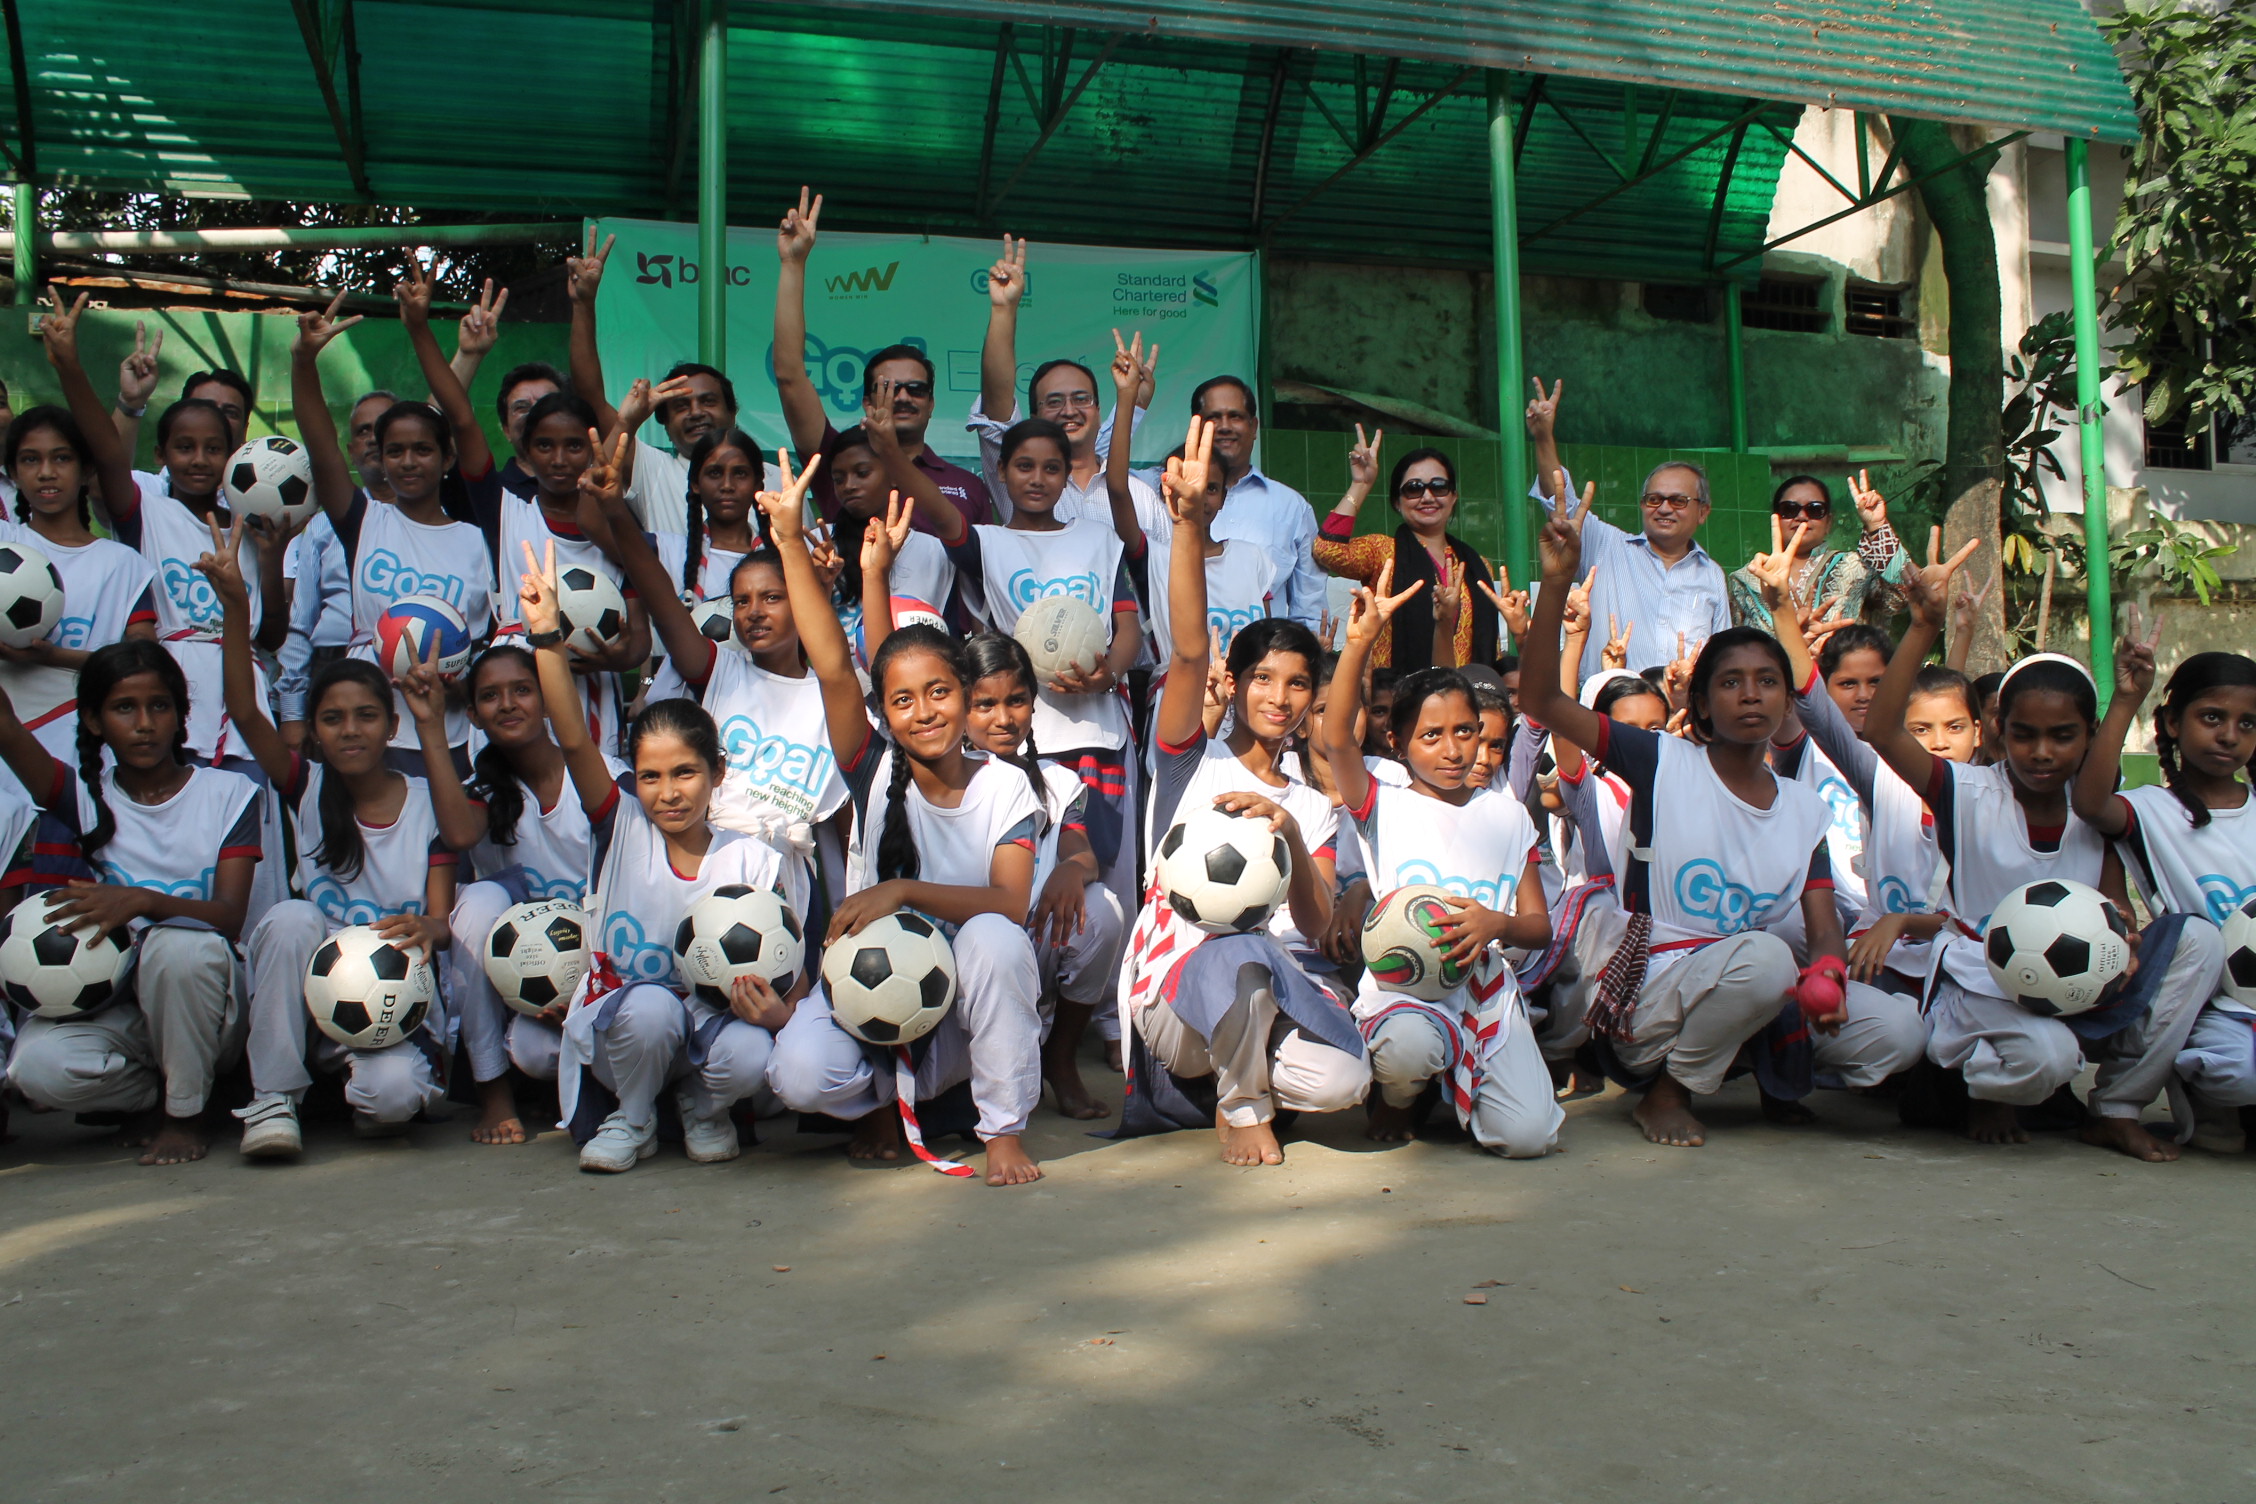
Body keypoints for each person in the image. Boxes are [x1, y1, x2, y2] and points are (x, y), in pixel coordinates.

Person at [1518, 482, 1922, 1148]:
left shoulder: (1802, 808)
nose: (1751, 695)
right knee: (1765, 960)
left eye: (1767, 680)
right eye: (1729, 682)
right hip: (1655, 996)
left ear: (1788, 699)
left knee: (1898, 1033)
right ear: (1702, 706)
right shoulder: (1658, 762)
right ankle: (1668, 1091)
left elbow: (1823, 926)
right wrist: (1556, 587)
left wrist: (1824, 974)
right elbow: (1540, 697)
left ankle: (1753, 1055)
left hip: (1755, 988)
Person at [1863, 540, 2217, 1160]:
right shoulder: (1964, 790)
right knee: (2049, 1059)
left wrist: (2126, 939)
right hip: (1980, 981)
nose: (2042, 752)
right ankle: (1978, 1085)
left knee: (2197, 942)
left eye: (2063, 736)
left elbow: (2115, 902)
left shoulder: (2098, 808)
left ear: (2089, 736)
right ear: (1998, 729)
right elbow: (1882, 729)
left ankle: (2116, 1105)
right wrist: (1924, 624)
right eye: (2024, 734)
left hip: (2082, 982)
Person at [760, 455, 1047, 1186]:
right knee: (797, 1076)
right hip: (874, 1000)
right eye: (903, 701)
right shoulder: (874, 766)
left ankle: (1002, 1126)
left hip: (960, 1012)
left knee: (995, 938)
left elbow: (1011, 903)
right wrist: (791, 540)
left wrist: (902, 892)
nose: (925, 712)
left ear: (965, 691)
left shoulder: (1007, 787)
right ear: (884, 713)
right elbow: (832, 665)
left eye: (941, 691)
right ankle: (886, 1107)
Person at [1117, 413, 1368, 1166]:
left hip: (1280, 986)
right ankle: (1242, 1104)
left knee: (1341, 1081)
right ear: (1239, 681)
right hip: (1177, 998)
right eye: (1264, 678)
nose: (1281, 698)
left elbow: (1321, 928)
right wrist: (1190, 525)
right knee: (1236, 952)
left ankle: (1246, 1073)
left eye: (1298, 684)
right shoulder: (1188, 760)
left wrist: (1288, 832)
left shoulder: (1316, 803)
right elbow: (1188, 647)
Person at [518, 536, 791, 1173]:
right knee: (651, 1005)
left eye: (685, 774)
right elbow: (571, 737)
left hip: (708, 1039)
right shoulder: (623, 827)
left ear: (718, 774)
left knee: (751, 1052)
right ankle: (633, 1116)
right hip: (628, 1037)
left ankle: (704, 1105)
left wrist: (778, 1011)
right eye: (650, 776)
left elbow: (785, 970)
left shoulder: (753, 860)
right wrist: (546, 639)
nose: (667, 793)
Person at [196, 520, 453, 1158]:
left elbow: (446, 908)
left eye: (366, 716)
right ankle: (276, 1097)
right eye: (332, 719)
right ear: (311, 731)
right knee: (288, 917)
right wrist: (235, 607)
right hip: (314, 1004)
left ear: (391, 723)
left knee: (389, 1102)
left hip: (391, 1004)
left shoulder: (425, 803)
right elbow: (243, 706)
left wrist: (430, 929)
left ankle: (364, 1089)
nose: (350, 731)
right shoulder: (305, 785)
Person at [1321, 562, 1558, 1156]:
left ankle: (1450, 1084)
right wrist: (1358, 644)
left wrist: (1494, 924)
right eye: (1432, 736)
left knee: (1528, 1138)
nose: (1453, 749)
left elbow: (1538, 927)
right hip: (1405, 991)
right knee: (1406, 1049)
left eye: (1466, 731)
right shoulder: (1382, 803)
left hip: (1483, 990)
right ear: (1397, 743)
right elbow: (1336, 740)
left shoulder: (1507, 815)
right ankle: (1401, 1094)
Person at [0, 640, 261, 1165]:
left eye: (159, 706)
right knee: (36, 1067)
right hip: (124, 1010)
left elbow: (229, 917)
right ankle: (177, 1095)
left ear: (181, 717)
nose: (144, 723)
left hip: (212, 1004)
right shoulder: (88, 801)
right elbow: (7, 730)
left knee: (175, 948)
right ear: (94, 722)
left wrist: (141, 900)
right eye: (124, 708)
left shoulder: (226, 793)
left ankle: (183, 1117)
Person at [884, 398, 1143, 924]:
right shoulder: (986, 542)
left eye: (1052, 468)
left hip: (1099, 735)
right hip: (1023, 741)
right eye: (1023, 465)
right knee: (1022, 880)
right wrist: (890, 450)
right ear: (1000, 471)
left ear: (1068, 475)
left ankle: (1100, 1001)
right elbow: (937, 510)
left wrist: (1108, 672)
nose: (1037, 478)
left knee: (1101, 882)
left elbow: (1128, 628)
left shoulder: (1099, 540)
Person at [580, 431, 847, 925]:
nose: (753, 613)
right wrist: (617, 510)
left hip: (787, 887)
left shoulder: (836, 693)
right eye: (741, 601)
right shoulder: (720, 671)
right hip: (703, 866)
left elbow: (849, 834)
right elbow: (658, 593)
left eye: (772, 597)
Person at [293, 279, 496, 776]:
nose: (408, 461)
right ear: (378, 459)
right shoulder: (364, 521)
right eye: (394, 451)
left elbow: (488, 646)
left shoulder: (477, 540)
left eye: (422, 449)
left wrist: (460, 684)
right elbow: (318, 440)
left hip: (447, 735)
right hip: (366, 731)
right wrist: (303, 361)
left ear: (447, 457)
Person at [417, 643, 616, 1146]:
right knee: (479, 902)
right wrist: (431, 728)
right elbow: (459, 835)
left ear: (549, 700)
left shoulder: (603, 775)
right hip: (534, 977)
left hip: (611, 966)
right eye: (490, 696)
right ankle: (493, 1090)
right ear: (476, 715)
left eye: (522, 690)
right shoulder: (485, 790)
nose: (507, 704)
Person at [2071, 632, 2256, 1153]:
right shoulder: (2152, 809)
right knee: (2237, 1072)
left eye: (2247, 724)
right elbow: (2089, 801)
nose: (2229, 735)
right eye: (2212, 717)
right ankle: (2134, 1103)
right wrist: (2128, 699)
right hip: (2207, 1007)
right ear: (2174, 723)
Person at [960, 631, 1127, 1120]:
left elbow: (1084, 854)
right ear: (961, 708)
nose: (1003, 718)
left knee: (1102, 912)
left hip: (1031, 938)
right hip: (966, 947)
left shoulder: (1058, 781)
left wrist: (1071, 871)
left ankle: (1060, 1058)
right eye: (984, 704)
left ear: (1034, 705)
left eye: (1016, 701)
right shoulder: (949, 777)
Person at [773, 189, 992, 537]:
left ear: (932, 404)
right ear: (865, 403)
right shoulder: (836, 460)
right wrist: (792, 264)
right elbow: (789, 376)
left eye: (916, 389)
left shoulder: (967, 486)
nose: (903, 397)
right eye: (888, 388)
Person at [1093, 334, 1269, 699]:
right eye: (1187, 483)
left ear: (1223, 497)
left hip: (1248, 703)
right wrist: (1127, 399)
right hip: (1179, 702)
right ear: (1167, 490)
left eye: (1211, 487)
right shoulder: (1155, 555)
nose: (1198, 496)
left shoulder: (1253, 559)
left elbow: (1267, 641)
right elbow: (1115, 487)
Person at [564, 229, 773, 535]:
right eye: (680, 406)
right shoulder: (653, 470)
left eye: (708, 401)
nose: (696, 412)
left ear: (733, 412)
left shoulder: (778, 480)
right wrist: (584, 304)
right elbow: (590, 397)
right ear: (665, 424)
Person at [479, 390, 651, 757]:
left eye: (574, 446)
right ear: (525, 448)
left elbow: (639, 642)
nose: (559, 460)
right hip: (517, 686)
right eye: (544, 445)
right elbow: (461, 421)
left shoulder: (618, 529)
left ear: (591, 450)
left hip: (595, 697)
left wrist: (615, 658)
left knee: (591, 800)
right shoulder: (506, 511)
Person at [1526, 377, 1730, 681]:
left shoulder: (1711, 574)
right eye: (1654, 499)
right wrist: (1544, 438)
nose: (1663, 508)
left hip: (1680, 717)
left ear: (1703, 512)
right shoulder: (1605, 546)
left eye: (1678, 501)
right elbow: (1562, 501)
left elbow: (1720, 658)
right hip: (1606, 717)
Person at [968, 237, 1162, 529]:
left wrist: (1133, 399)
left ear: (1098, 411)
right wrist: (1004, 310)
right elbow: (997, 403)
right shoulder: (1025, 485)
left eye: (1082, 399)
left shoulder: (1141, 497)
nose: (1069, 410)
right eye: (1054, 402)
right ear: (1033, 418)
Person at [0, 406, 157, 761]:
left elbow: (146, 661)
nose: (45, 473)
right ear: (12, 473)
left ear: (86, 469)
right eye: (29, 460)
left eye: (61, 458)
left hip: (84, 754)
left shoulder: (123, 565)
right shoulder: (4, 540)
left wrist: (54, 656)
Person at [1315, 429, 1501, 672]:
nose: (1427, 496)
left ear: (1453, 496)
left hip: (1467, 699)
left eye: (1438, 486)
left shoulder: (1477, 565)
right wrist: (1361, 484)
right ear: (1397, 501)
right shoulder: (1383, 553)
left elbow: (1490, 644)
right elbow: (1328, 550)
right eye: (1413, 488)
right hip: (1398, 697)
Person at [1727, 472, 1909, 632]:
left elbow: (1901, 597)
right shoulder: (1746, 580)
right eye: (1789, 509)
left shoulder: (1855, 568)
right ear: (1775, 518)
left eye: (1814, 510)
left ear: (1828, 522)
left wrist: (1876, 525)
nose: (1802, 516)